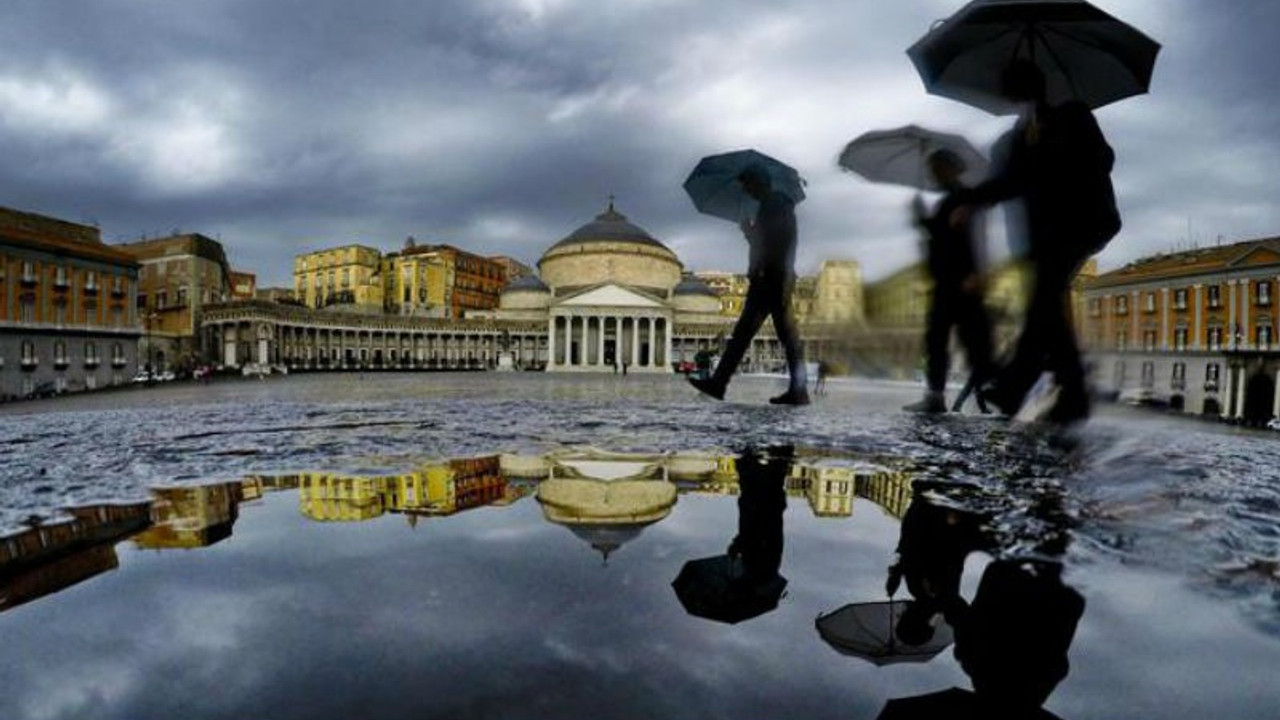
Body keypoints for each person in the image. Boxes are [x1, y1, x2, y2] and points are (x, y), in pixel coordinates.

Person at [965, 60, 1121, 424]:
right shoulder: (1020, 134)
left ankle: (1026, 386)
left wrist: (1050, 145)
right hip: (1047, 235)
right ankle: (1045, 389)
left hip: (1084, 220)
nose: (1005, 93)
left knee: (1045, 295)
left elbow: (1104, 158)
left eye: (1010, 84)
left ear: (1029, 85)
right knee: (1045, 302)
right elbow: (1009, 182)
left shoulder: (1073, 115)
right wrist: (970, 201)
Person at [689, 164, 809, 405]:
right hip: (774, 275)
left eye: (747, 185)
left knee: (773, 334)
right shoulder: (775, 204)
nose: (746, 191)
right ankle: (720, 383)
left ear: (758, 182)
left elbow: (772, 243)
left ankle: (720, 383)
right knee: (755, 334)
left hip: (770, 277)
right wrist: (751, 232)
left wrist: (752, 238)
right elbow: (770, 240)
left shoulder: (774, 204)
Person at [904, 149, 995, 414]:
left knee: (973, 341)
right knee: (938, 339)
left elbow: (978, 236)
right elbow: (939, 233)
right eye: (933, 169)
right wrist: (920, 217)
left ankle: (1004, 390)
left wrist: (978, 271)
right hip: (945, 281)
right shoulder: (947, 202)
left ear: (953, 168)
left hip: (963, 280)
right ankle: (935, 396)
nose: (935, 174)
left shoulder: (967, 198)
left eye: (939, 168)